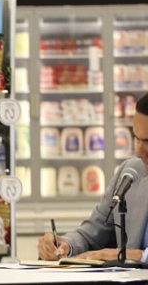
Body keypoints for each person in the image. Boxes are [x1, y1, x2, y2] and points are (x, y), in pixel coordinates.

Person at [38, 93, 148, 262]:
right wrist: (65, 245)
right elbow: (94, 232)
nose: (139, 152)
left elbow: (130, 256)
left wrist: (140, 256)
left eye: (147, 141)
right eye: (136, 138)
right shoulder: (130, 172)